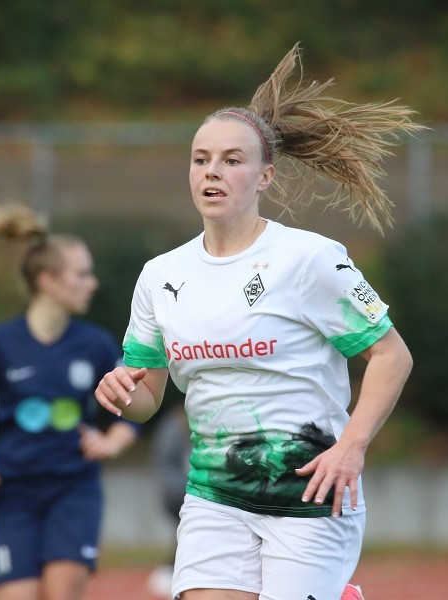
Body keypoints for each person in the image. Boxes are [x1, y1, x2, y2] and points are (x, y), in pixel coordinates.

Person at [95, 43, 417, 600]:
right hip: (213, 495)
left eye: (231, 160)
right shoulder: (160, 275)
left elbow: (391, 355)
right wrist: (121, 390)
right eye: (200, 159)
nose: (212, 172)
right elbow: (147, 393)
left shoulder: (309, 259)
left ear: (265, 177)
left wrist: (352, 446)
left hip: (311, 493)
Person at [0, 204, 138, 600]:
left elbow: (134, 410)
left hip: (74, 490)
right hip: (13, 493)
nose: (92, 283)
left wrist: (111, 442)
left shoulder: (95, 345)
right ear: (48, 280)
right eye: (81, 274)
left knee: (60, 593)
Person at [147, 403, 193, 598]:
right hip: (181, 495)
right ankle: (173, 573)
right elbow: (167, 468)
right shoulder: (174, 427)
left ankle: (173, 570)